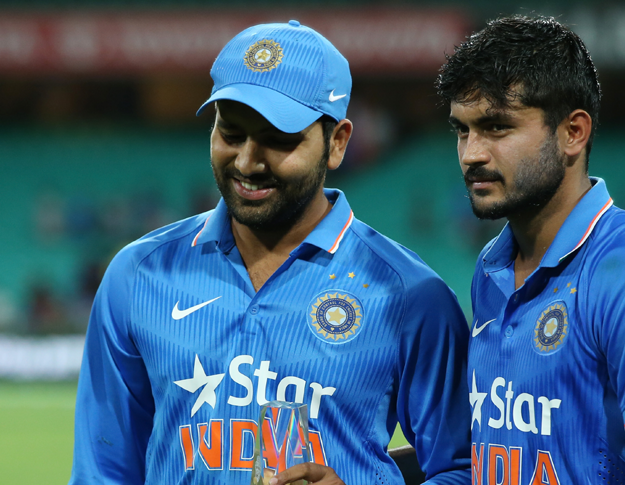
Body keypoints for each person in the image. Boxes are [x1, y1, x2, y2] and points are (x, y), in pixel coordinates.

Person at [69, 20, 472, 485]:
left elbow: (463, 470)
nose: (246, 161)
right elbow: (102, 472)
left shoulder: (411, 295)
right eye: (231, 133)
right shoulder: (138, 275)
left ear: (337, 142)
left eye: (279, 140)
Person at [437, 15, 625, 485]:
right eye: (462, 130)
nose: (471, 154)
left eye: (497, 127)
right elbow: (495, 456)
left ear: (573, 132)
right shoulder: (492, 268)